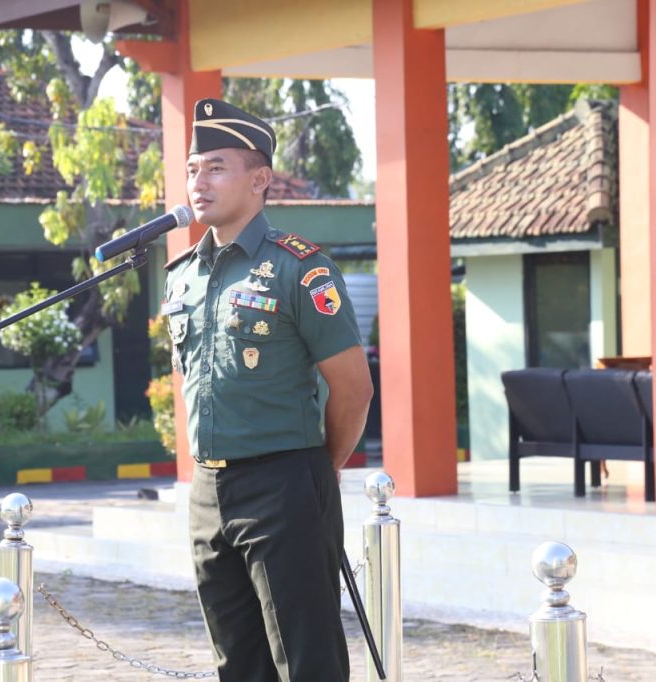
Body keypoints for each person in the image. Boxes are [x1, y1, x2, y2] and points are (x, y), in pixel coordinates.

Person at [163, 98, 374, 682]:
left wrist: (319, 467)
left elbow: (353, 388)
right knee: (236, 661)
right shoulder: (183, 276)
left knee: (307, 660)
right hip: (209, 488)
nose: (198, 182)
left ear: (260, 180)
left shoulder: (299, 269)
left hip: (285, 482)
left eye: (216, 167)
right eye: (192, 169)